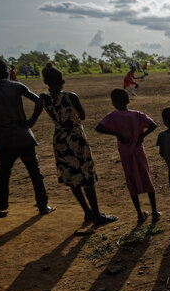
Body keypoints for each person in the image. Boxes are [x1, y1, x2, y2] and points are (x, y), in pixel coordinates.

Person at [40, 66, 116, 225]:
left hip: (60, 138)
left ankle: (87, 212)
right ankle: (96, 215)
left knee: (70, 175)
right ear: (62, 81)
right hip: (76, 137)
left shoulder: (44, 99)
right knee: (86, 174)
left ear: (46, 82)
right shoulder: (70, 96)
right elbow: (82, 115)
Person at [0, 57, 52, 218]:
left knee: (3, 173)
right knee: (34, 172)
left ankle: (2, 205)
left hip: (1, 137)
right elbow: (39, 102)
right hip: (23, 135)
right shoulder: (16, 86)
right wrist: (31, 121)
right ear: (5, 70)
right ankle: (43, 205)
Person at [96, 89, 160, 222]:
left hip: (125, 151)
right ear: (127, 101)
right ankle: (154, 212)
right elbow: (153, 125)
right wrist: (141, 136)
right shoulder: (137, 114)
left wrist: (117, 134)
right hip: (138, 149)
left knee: (130, 179)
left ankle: (139, 214)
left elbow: (99, 128)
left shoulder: (112, 116)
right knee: (146, 176)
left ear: (113, 102)